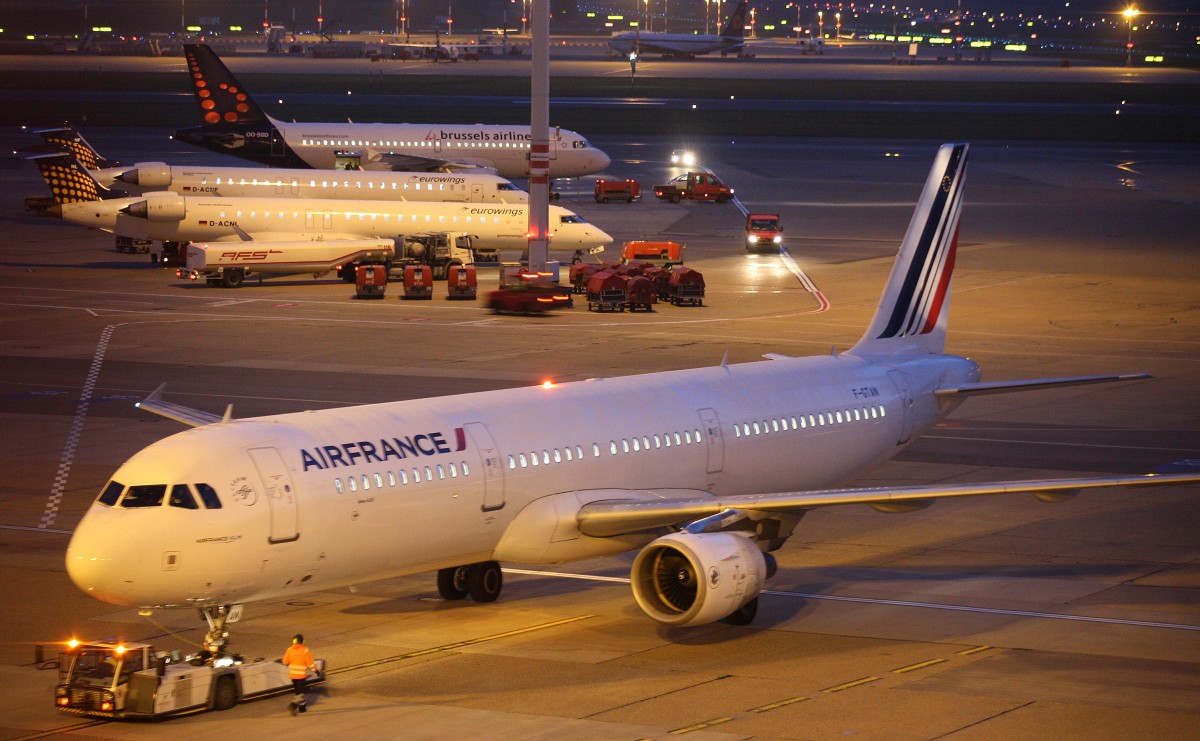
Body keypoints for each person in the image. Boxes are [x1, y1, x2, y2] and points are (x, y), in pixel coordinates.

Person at [282, 634, 316, 715]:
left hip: (293, 676)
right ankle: (292, 706)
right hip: (301, 676)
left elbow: (284, 661)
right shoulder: (305, 650)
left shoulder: (289, 649)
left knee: (298, 693)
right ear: (302, 641)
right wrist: (316, 671)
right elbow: (310, 663)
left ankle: (302, 708)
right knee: (300, 694)